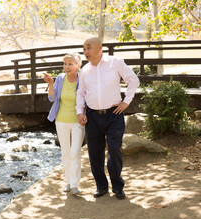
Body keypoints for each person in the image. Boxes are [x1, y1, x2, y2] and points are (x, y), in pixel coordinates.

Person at [76, 37, 139, 200]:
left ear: (99, 48)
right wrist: (80, 112)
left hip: (114, 115)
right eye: (84, 49)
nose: (86, 52)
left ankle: (118, 186)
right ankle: (101, 186)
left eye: (88, 47)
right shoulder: (84, 70)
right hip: (92, 117)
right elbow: (81, 93)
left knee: (114, 149)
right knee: (94, 153)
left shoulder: (115, 62)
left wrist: (126, 102)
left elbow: (133, 80)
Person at [43, 52, 85, 195]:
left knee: (75, 153)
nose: (66, 66)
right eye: (65, 63)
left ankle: (75, 185)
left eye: (70, 64)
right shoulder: (60, 79)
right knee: (65, 152)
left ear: (78, 66)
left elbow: (87, 98)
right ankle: (68, 182)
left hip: (77, 122)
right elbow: (51, 98)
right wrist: (51, 84)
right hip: (61, 120)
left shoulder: (82, 79)